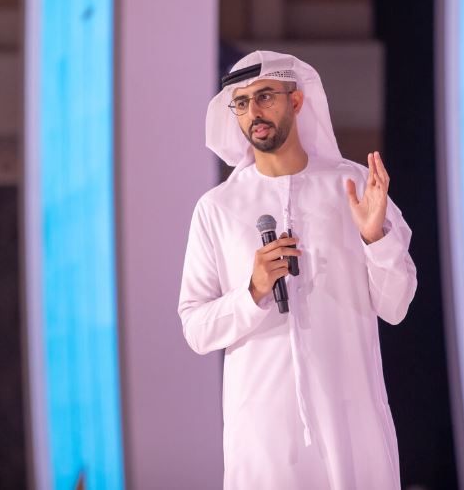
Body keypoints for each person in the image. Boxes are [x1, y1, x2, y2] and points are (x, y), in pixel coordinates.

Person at [178, 50, 417, 489]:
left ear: (297, 101)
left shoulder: (354, 187)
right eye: (242, 102)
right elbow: (195, 328)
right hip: (263, 440)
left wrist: (375, 239)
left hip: (351, 429)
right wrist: (252, 291)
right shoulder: (217, 208)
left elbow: (396, 306)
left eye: (266, 96)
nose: (254, 111)